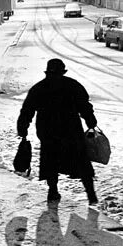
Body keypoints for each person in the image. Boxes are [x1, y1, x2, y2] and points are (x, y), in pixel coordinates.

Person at [17, 58, 98, 205]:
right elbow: (85, 106)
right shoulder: (72, 85)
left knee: (50, 162)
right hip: (71, 131)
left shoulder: (39, 88)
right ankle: (91, 194)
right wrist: (91, 122)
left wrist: (22, 128)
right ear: (63, 71)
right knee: (81, 161)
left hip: (48, 132)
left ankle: (53, 191)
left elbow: (27, 110)